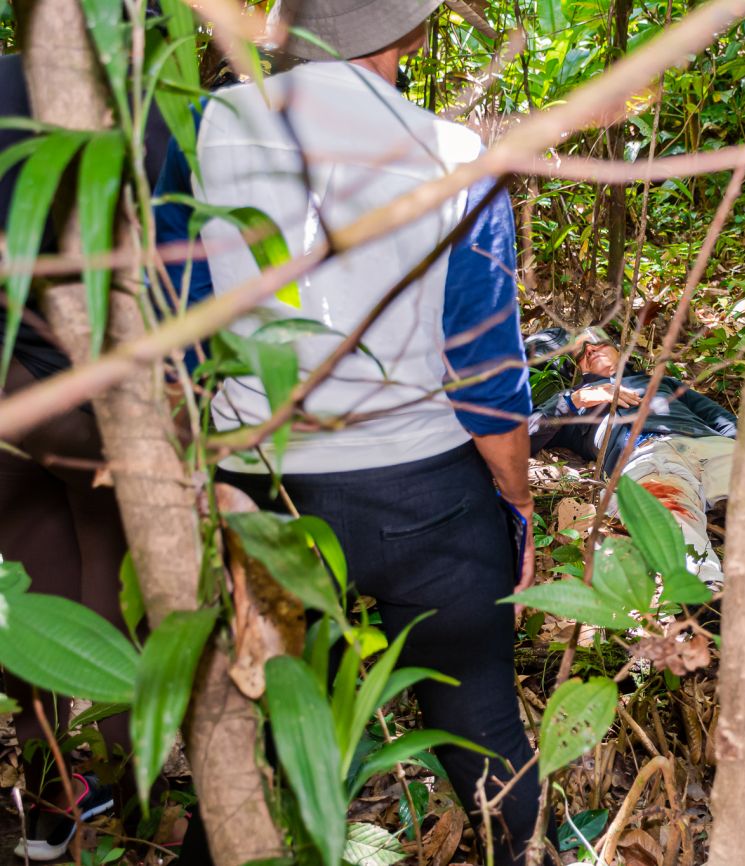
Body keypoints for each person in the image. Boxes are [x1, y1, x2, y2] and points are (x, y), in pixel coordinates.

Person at [155, 2, 541, 861]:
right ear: (413, 32)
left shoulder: (201, 130)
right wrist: (515, 503)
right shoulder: (455, 154)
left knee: (259, 747)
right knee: (481, 727)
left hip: (262, 490)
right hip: (427, 497)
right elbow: (484, 366)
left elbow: (177, 318)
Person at [0, 50, 175, 860]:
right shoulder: (144, 100)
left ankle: (47, 800)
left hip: (12, 383)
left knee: (28, 591)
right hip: (102, 388)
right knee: (110, 581)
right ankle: (129, 803)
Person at [528, 326, 745, 589]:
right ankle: (705, 594)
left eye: (597, 342)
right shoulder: (576, 404)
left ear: (619, 348)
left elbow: (720, 419)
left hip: (710, 446)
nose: (591, 350)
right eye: (581, 352)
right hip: (648, 457)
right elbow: (522, 439)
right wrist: (575, 399)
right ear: (575, 368)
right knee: (668, 517)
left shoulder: (661, 382)